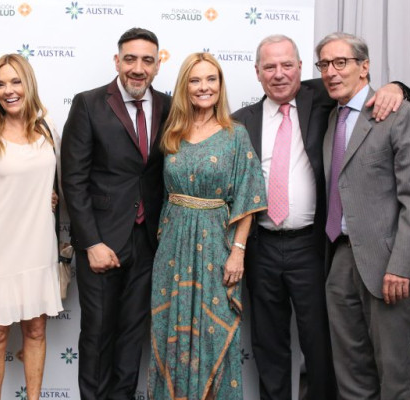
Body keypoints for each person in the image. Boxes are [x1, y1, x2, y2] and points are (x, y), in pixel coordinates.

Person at [231, 35, 410, 400]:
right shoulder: (239, 122)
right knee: (268, 341)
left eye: (287, 65)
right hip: (261, 247)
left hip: (312, 246)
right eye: (269, 67)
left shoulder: (322, 98)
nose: (279, 74)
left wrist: (398, 87)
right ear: (257, 72)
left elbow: (361, 86)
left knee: (321, 341)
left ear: (301, 69)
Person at [316, 32, 410, 399]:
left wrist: (401, 265)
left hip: (389, 261)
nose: (331, 72)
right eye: (324, 64)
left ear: (364, 66)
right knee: (350, 369)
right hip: (341, 257)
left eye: (341, 62)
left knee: (393, 373)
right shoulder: (331, 117)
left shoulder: (398, 114)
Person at [61, 27, 171, 400]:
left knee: (132, 334)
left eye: (147, 60)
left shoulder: (170, 106)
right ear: (117, 61)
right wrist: (91, 242)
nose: (138, 68)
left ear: (157, 65)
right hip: (102, 240)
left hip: (149, 242)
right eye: (130, 59)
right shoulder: (88, 104)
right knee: (97, 334)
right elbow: (73, 180)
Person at [148, 52, 266, 400]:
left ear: (220, 85)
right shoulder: (171, 133)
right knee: (170, 328)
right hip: (172, 249)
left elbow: (247, 196)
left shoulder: (235, 135)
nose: (204, 87)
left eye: (211, 79)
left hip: (217, 246)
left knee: (213, 330)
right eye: (195, 80)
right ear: (185, 87)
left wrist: (238, 252)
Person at [0, 53, 63, 400]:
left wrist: (51, 195)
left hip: (38, 244)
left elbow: (55, 181)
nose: (9, 90)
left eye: (16, 81)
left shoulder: (47, 131)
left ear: (28, 84)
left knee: (36, 329)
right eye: (1, 84)